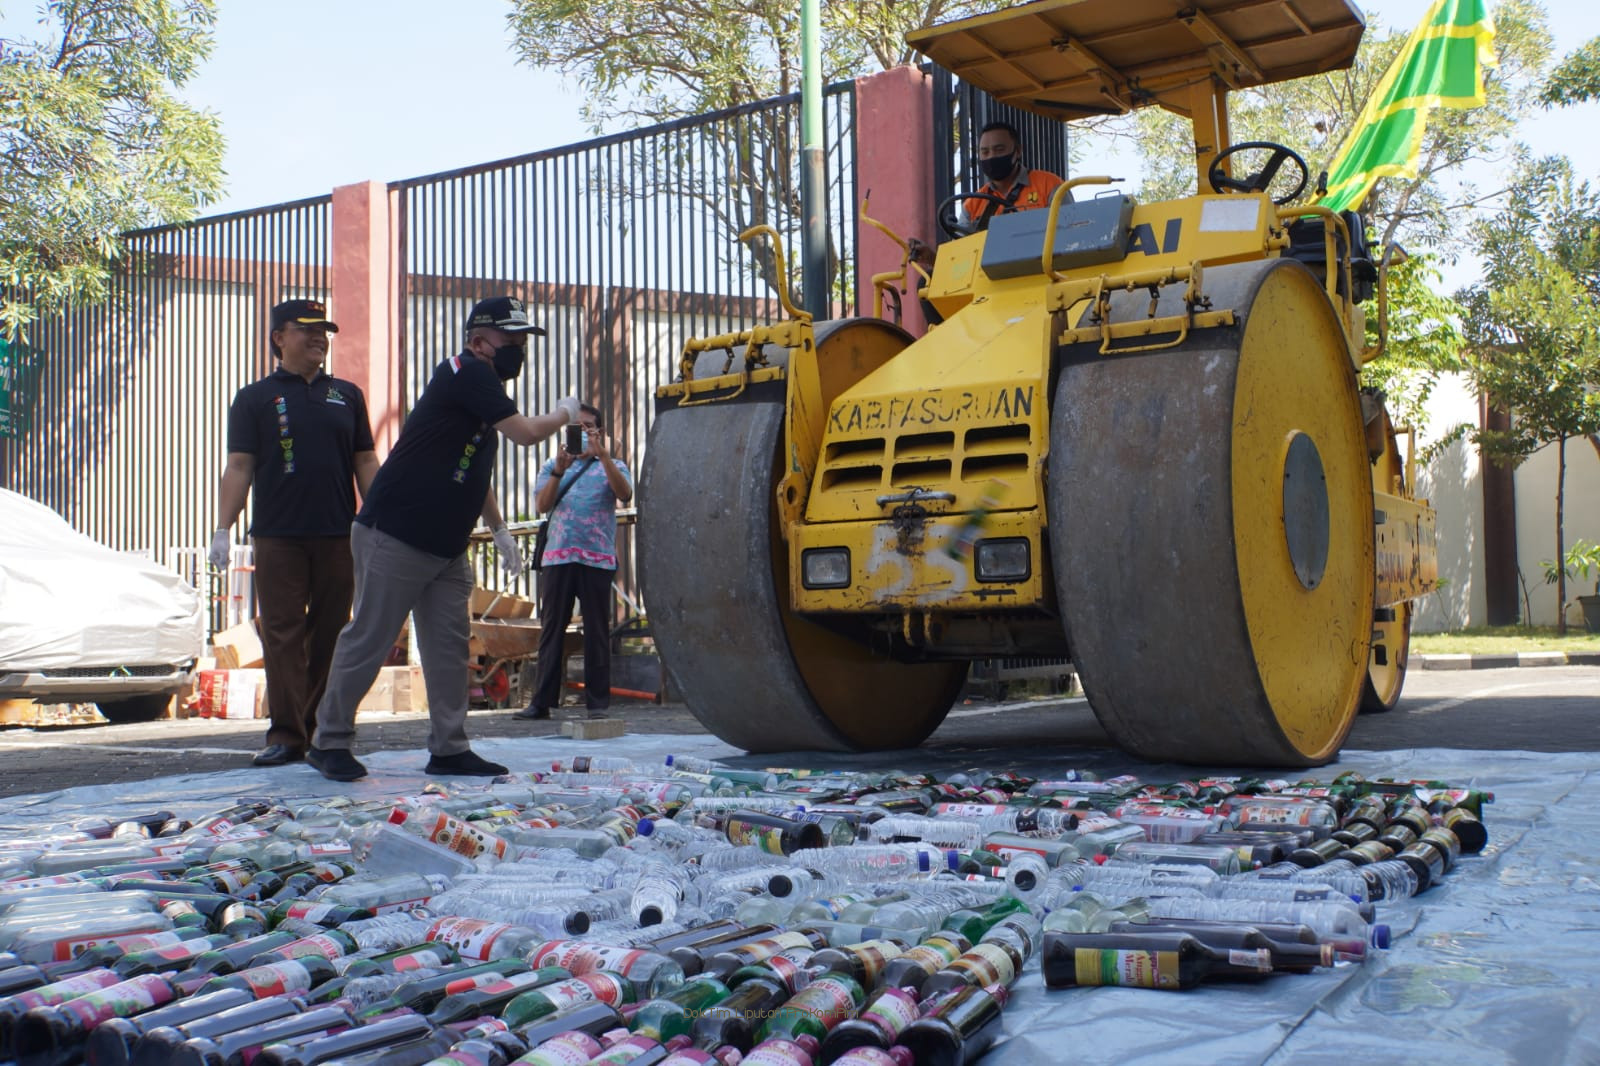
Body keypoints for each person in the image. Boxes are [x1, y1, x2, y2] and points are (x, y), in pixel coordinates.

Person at [305, 295, 580, 782]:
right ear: (478, 341)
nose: (518, 348)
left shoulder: (479, 393)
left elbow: (476, 474)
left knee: (449, 647)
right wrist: (563, 416)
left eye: (522, 340)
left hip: (446, 546)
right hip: (398, 532)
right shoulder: (465, 371)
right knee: (369, 636)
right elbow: (523, 433)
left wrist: (497, 529)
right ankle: (329, 741)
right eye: (510, 339)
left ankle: (450, 747)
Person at [209, 299, 380, 768]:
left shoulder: (346, 395)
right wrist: (222, 527)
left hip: (338, 534)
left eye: (324, 330)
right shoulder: (254, 398)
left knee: (331, 631)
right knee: (282, 632)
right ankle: (286, 735)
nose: (319, 338)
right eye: (306, 330)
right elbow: (239, 465)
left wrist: (380, 514)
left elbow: (365, 459)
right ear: (279, 338)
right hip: (278, 534)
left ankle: (323, 730)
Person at [513, 403, 633, 722]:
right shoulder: (554, 464)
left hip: (597, 558)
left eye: (588, 427)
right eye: (576, 428)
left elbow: (625, 494)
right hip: (558, 556)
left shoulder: (614, 464)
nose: (582, 433)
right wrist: (558, 470)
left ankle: (597, 705)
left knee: (596, 630)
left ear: (600, 432)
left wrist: (603, 455)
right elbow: (541, 504)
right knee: (552, 629)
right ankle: (541, 703)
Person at [907, 122, 1066, 326]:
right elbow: (963, 259)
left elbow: (1067, 236)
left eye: (999, 150)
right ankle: (948, 338)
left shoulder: (1049, 185)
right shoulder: (974, 203)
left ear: (1017, 151)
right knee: (928, 281)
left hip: (1038, 274)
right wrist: (933, 259)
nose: (991, 157)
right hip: (987, 281)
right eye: (985, 151)